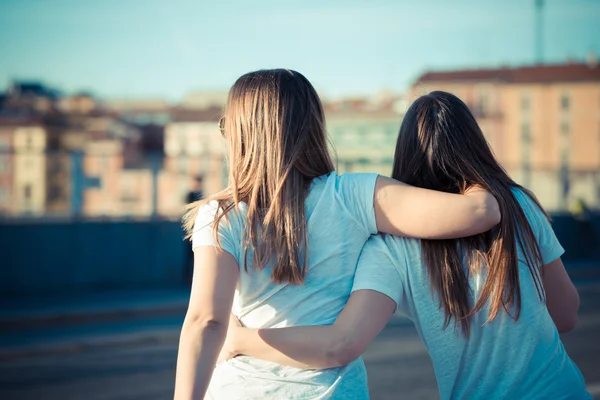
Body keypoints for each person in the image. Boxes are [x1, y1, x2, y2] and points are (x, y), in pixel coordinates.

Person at [220, 91, 591, 399]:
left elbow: (340, 342)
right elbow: (566, 314)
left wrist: (237, 338)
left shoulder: (389, 247)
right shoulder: (517, 205)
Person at [173, 73, 500, 400]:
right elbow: (479, 213)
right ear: (313, 127)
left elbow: (206, 322)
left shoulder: (221, 215)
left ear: (241, 133)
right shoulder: (355, 196)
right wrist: (477, 167)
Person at [184, 176, 205, 283]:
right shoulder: (190, 195)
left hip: (200, 228)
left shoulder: (202, 195)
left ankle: (194, 278)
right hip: (191, 230)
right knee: (188, 256)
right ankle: (187, 278)